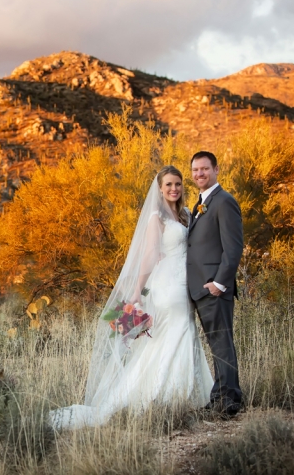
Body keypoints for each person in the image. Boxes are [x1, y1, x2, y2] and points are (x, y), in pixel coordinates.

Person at [50, 166, 213, 430]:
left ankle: (185, 395)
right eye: (169, 185)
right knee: (178, 330)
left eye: (178, 184)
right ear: (160, 188)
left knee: (181, 333)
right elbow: (149, 255)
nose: (174, 189)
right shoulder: (156, 217)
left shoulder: (183, 214)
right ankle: (167, 395)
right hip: (168, 286)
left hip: (185, 284)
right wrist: (137, 290)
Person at [187, 151, 244, 418]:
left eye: (205, 169)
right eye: (196, 170)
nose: (200, 174)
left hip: (213, 288)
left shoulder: (224, 201)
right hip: (200, 289)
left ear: (216, 170)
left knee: (222, 344)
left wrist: (218, 284)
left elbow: (233, 249)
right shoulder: (201, 202)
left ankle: (229, 401)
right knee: (217, 344)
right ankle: (220, 396)